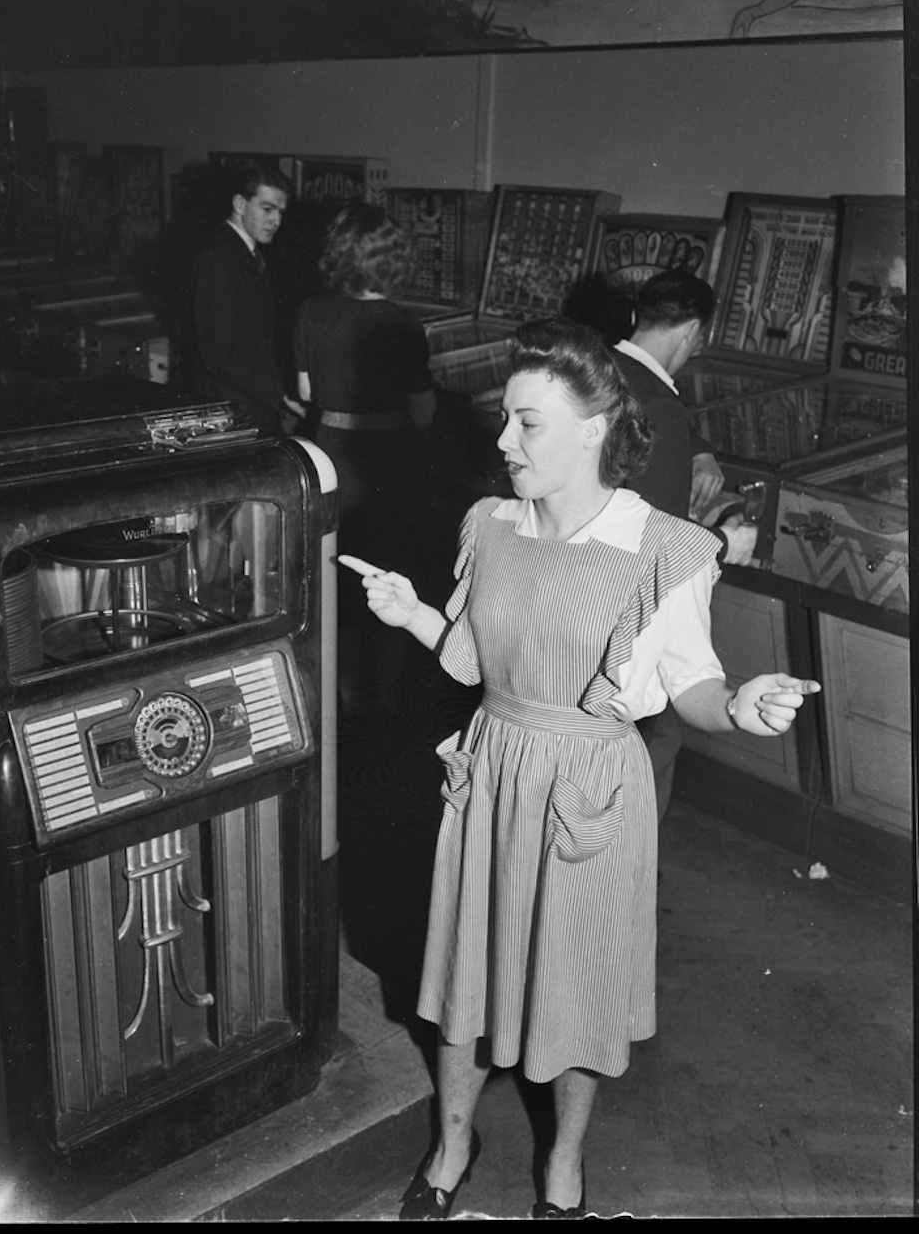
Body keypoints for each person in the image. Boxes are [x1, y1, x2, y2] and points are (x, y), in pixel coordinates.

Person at [342, 318, 819, 1220]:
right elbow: (476, 659)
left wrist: (740, 705)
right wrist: (412, 614)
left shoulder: (660, 548)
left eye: (527, 423)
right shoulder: (489, 524)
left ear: (595, 427)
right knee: (464, 980)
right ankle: (451, 1146)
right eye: (506, 420)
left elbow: (694, 683)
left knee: (578, 993)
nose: (502, 440)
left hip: (591, 794)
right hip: (492, 776)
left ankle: (563, 1164)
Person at [613, 269, 758, 823]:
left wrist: (696, 449)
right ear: (696, 331)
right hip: (630, 623)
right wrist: (725, 542)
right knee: (655, 742)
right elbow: (665, 551)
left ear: (637, 317)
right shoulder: (662, 409)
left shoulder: (597, 366)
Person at [294, 202, 436, 709]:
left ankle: (338, 691)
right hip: (388, 462)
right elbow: (422, 413)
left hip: (330, 455)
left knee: (335, 571)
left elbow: (308, 391)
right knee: (389, 573)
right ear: (391, 260)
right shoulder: (402, 322)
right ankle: (385, 696)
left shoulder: (312, 311)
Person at [190, 163, 297, 434]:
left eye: (281, 212)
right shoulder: (219, 257)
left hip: (249, 402)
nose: (277, 221)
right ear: (240, 203)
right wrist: (279, 395)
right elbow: (220, 354)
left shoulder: (242, 253)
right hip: (231, 408)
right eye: (267, 209)